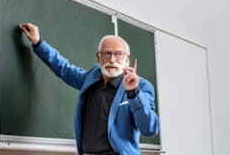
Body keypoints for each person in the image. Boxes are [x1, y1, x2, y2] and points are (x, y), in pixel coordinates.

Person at [19, 23, 160, 155]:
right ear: (98, 58)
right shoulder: (92, 76)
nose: (112, 60)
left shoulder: (141, 86)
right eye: (107, 53)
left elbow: (150, 129)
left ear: (127, 60)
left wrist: (133, 93)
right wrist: (38, 42)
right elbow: (64, 68)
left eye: (118, 54)